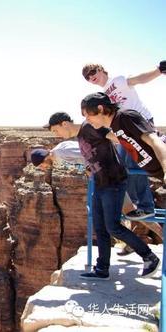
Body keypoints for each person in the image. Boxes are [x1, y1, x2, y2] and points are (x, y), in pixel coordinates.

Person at [43, 111, 160, 279]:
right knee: (100, 227)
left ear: (64, 124)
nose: (56, 135)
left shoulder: (90, 127)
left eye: (56, 130)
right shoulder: (80, 136)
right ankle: (102, 269)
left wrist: (145, 153)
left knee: (113, 227)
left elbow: (120, 140)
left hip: (113, 181)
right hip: (100, 183)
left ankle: (149, 257)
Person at [82, 61, 166, 220]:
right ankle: (136, 205)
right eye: (87, 77)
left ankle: (145, 207)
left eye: (93, 72)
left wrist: (158, 70)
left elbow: (138, 79)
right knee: (122, 167)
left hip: (138, 122)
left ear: (100, 69)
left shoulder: (117, 81)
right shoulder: (104, 94)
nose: (91, 77)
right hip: (124, 128)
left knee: (134, 164)